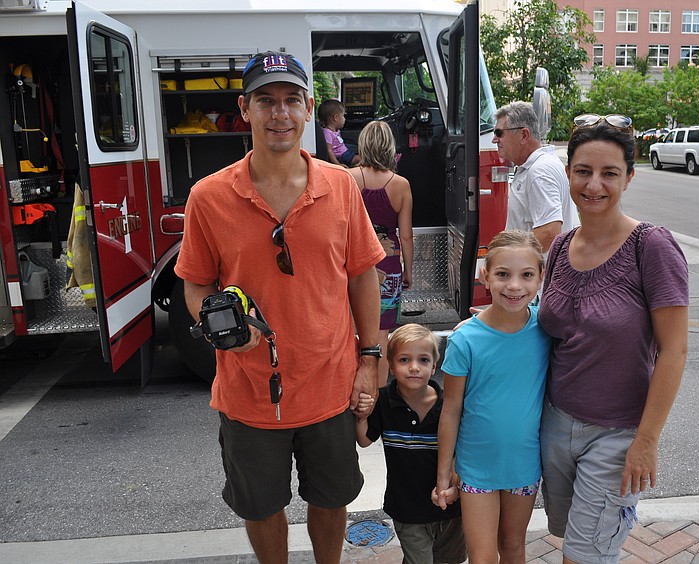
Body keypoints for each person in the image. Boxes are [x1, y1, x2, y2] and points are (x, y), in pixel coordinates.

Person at [174, 51, 385, 563]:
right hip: (248, 390)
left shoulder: (341, 186)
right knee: (262, 505)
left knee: (331, 499)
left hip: (330, 384)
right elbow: (195, 286)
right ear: (244, 109)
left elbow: (362, 276)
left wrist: (369, 358)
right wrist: (220, 326)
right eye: (266, 100)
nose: (280, 113)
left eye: (292, 100)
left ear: (309, 108)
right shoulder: (208, 197)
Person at [538, 113, 689, 564]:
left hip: (617, 434)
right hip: (555, 425)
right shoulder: (560, 247)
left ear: (629, 177)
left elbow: (674, 351)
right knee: (572, 540)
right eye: (583, 171)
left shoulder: (651, 246)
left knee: (586, 555)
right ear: (568, 174)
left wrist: (647, 440)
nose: (594, 185)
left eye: (609, 173)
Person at [435, 230, 550, 564]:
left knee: (513, 546)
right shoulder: (465, 340)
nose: (514, 286)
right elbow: (451, 409)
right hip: (476, 467)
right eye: (502, 274)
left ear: (540, 277)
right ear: (485, 276)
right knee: (482, 556)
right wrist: (444, 472)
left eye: (526, 275)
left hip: (524, 464)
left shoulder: (546, 328)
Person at [354, 323, 467, 564]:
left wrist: (455, 488)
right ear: (391, 366)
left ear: (434, 366)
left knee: (450, 560)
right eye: (404, 360)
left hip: (450, 507)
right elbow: (364, 440)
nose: (414, 367)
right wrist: (362, 415)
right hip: (407, 509)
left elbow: (461, 453)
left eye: (423, 360)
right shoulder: (384, 401)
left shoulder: (447, 406)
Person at [351, 120, 413, 387]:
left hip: (355, 265)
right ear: (390, 147)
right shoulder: (401, 185)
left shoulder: (347, 178)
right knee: (381, 335)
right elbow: (406, 235)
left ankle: (354, 393)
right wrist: (408, 270)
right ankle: (378, 396)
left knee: (352, 332)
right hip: (388, 266)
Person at [493, 101, 575, 255]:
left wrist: (507, 260)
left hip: (536, 271)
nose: (494, 139)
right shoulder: (538, 166)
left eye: (499, 133)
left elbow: (549, 232)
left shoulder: (539, 171)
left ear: (523, 135)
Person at [318, 99, 361, 167]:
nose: (345, 119)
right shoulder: (327, 133)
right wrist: (338, 165)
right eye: (343, 116)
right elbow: (329, 151)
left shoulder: (335, 130)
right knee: (361, 159)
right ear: (336, 118)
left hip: (345, 152)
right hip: (341, 156)